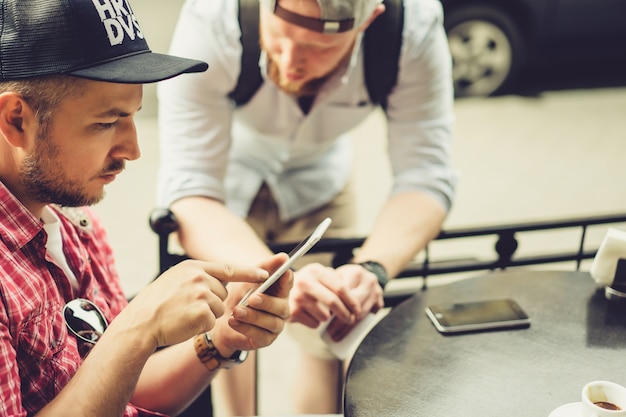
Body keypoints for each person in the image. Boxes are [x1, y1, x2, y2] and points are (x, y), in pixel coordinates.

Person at [157, 0, 457, 414]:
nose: (292, 62)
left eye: (320, 48)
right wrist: (278, 278)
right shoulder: (214, 17)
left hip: (322, 182)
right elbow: (189, 188)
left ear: (370, 19)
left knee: (328, 330)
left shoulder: (413, 27)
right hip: (225, 185)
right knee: (235, 319)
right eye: (279, 36)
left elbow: (427, 176)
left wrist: (371, 269)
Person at [0, 0, 293, 416]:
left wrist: (222, 338)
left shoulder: (76, 223)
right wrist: (139, 328)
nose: (133, 150)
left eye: (135, 116)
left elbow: (125, 393)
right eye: (106, 122)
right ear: (16, 120)